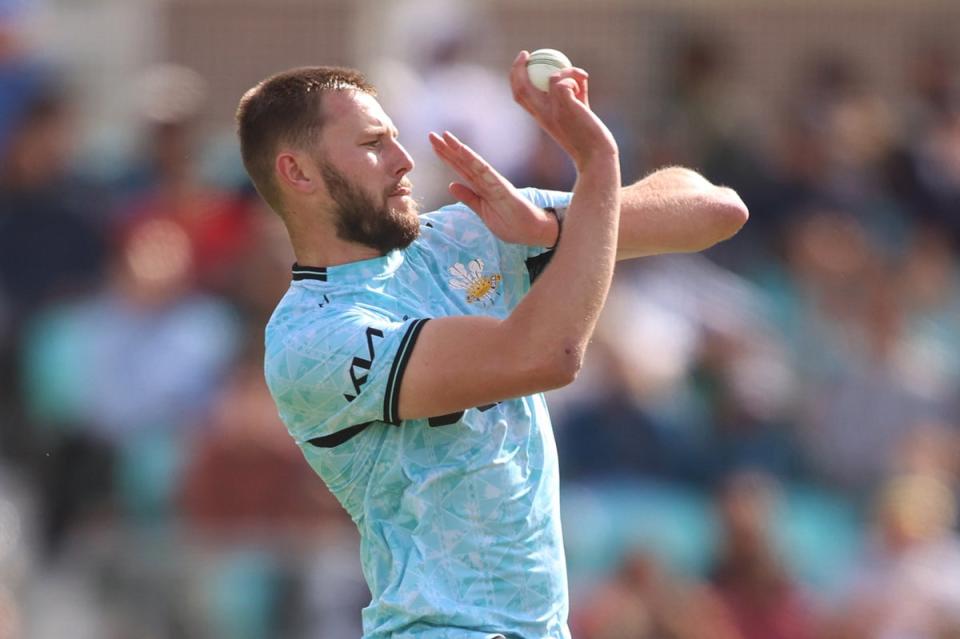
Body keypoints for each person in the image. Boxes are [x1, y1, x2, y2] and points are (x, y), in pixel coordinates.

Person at [235, 51, 747, 639]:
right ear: (298, 173)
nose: (404, 160)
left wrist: (555, 227)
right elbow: (544, 355)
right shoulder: (313, 336)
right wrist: (596, 164)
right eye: (374, 144)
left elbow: (714, 210)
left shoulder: (464, 232)